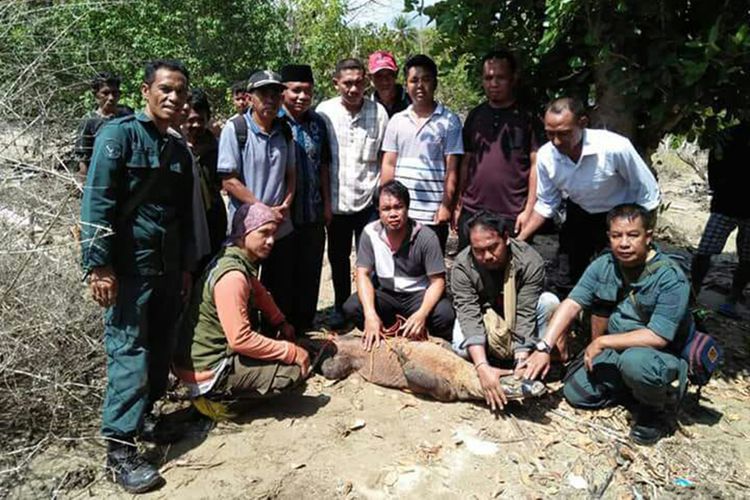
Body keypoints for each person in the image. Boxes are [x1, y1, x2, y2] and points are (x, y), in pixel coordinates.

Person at [80, 59, 193, 493]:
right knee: (128, 355)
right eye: (165, 89)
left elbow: (181, 216)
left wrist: (184, 268)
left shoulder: (177, 148)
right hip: (127, 271)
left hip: (164, 269)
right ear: (146, 91)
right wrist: (99, 264)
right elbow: (97, 204)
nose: (174, 98)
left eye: (180, 91)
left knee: (160, 350)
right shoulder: (117, 136)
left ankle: (144, 419)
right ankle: (119, 449)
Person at [519, 204, 693, 445]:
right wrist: (543, 347)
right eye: (616, 236)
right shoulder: (606, 264)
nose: (624, 243)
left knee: (636, 363)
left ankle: (654, 409)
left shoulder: (670, 278)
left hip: (657, 353)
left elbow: (658, 336)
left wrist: (602, 341)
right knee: (576, 393)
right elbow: (572, 303)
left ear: (648, 236)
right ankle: (632, 389)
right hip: (617, 347)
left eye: (633, 235)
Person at [174, 203, 310, 421]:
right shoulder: (233, 277)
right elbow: (240, 339)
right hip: (208, 370)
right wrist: (290, 351)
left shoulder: (232, 257)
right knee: (290, 373)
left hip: (198, 361)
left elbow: (259, 292)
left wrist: (280, 322)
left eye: (273, 234)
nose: (271, 241)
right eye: (264, 233)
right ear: (243, 233)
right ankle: (220, 404)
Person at [516, 97, 660, 284]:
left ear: (582, 123)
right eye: (550, 134)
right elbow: (546, 203)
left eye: (564, 134)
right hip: (580, 213)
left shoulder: (614, 147)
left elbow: (648, 194)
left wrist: (639, 235)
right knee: (568, 277)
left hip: (620, 216)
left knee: (617, 280)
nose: (557, 142)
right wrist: (520, 240)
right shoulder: (546, 156)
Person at [451, 211, 560, 411]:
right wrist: (482, 366)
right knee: (460, 347)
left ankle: (532, 363)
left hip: (517, 315)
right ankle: (491, 366)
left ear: (506, 239)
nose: (487, 256)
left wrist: (521, 358)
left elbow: (526, 312)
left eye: (493, 247)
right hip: (487, 316)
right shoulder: (462, 265)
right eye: (479, 251)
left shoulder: (529, 260)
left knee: (549, 301)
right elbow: (468, 313)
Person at [217, 70, 296, 321]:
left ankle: (278, 334)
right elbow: (229, 180)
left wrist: (286, 203)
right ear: (250, 98)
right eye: (263, 94)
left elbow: (291, 174)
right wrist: (263, 211)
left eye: (276, 94)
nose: (270, 99)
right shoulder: (236, 129)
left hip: (280, 225)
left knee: (279, 286)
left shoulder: (284, 130)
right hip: (246, 229)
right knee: (245, 285)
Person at [316, 58, 389, 327]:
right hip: (336, 201)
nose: (353, 88)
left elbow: (384, 157)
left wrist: (382, 197)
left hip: (369, 201)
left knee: (371, 259)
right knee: (337, 258)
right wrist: (324, 202)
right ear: (336, 83)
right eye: (347, 83)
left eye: (359, 82)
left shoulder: (379, 113)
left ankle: (370, 308)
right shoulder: (324, 113)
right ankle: (341, 306)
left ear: (366, 82)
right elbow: (322, 161)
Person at [343, 180, 454, 349]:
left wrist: (422, 314)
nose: (393, 214)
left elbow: (438, 281)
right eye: (386, 209)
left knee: (445, 314)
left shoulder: (426, 236)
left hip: (418, 296)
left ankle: (420, 331)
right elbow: (362, 274)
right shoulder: (369, 233)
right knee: (352, 307)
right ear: (378, 211)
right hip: (388, 294)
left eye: (398, 207)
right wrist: (371, 315)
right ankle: (388, 329)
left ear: (407, 208)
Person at [455, 50, 541, 250]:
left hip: (512, 213)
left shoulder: (528, 118)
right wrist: (458, 205)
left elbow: (537, 165)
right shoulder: (475, 116)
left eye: (500, 77)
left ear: (513, 78)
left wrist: (529, 210)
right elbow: (466, 162)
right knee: (469, 275)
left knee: (510, 277)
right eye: (488, 78)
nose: (493, 83)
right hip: (472, 211)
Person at [381, 54, 463, 253]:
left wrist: (447, 205)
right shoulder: (397, 121)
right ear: (406, 84)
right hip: (400, 212)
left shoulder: (449, 121)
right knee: (399, 269)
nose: (419, 85)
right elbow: (389, 164)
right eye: (414, 80)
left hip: (433, 214)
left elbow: (452, 169)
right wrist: (386, 204)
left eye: (426, 79)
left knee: (432, 270)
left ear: (435, 83)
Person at [279, 64, 332, 333]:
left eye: (307, 91)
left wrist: (327, 204)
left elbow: (324, 164)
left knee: (310, 272)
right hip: (282, 217)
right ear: (283, 91)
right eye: (295, 91)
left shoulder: (318, 122)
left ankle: (304, 326)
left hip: (312, 211)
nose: (301, 97)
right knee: (281, 275)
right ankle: (280, 328)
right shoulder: (272, 120)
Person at [691, 119, 750, 319]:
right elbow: (714, 169)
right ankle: (692, 295)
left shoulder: (726, 135)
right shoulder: (727, 136)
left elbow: (714, 172)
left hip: (727, 204)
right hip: (726, 204)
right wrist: (719, 189)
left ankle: (732, 300)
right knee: (704, 252)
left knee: (746, 258)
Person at [181, 89, 228, 267]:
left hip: (213, 220)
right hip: (187, 222)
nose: (196, 125)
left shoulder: (218, 147)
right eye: (191, 120)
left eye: (201, 120)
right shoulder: (175, 147)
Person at [74, 72, 133, 176]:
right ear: (96, 95)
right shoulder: (90, 121)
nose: (111, 98)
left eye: (115, 93)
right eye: (105, 93)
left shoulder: (127, 114)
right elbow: (83, 157)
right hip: (102, 174)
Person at [368, 50, 410, 118]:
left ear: (396, 74)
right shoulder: (366, 107)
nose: (384, 81)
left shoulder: (411, 102)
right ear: (370, 78)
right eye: (379, 76)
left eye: (389, 74)